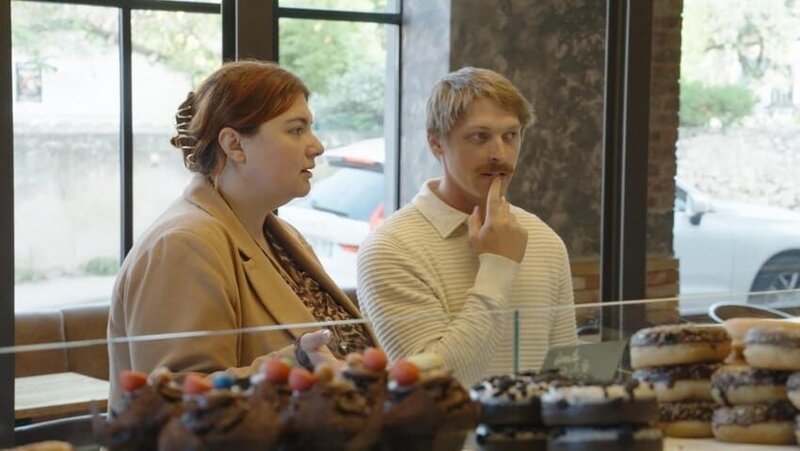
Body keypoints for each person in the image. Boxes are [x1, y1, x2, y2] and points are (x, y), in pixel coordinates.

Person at [108, 60, 377, 404]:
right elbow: (173, 402)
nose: (317, 146)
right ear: (234, 145)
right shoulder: (183, 244)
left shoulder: (285, 237)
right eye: (296, 130)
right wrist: (296, 364)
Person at [357, 67, 577, 385]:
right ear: (436, 143)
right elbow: (433, 386)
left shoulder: (544, 239)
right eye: (480, 137)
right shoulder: (389, 248)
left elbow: (567, 376)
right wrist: (497, 267)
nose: (499, 154)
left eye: (510, 136)